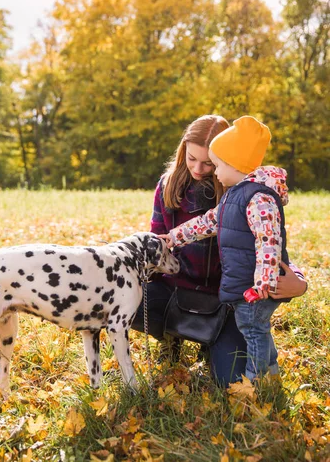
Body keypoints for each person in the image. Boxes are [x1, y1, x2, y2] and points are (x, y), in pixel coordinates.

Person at [131, 114, 307, 386]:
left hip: (226, 300)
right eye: (192, 159)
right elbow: (188, 229)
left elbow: (270, 248)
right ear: (183, 151)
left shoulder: (248, 195)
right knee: (123, 300)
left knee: (232, 380)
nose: (201, 169)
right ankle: (171, 335)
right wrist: (161, 247)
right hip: (174, 291)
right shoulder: (168, 186)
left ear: (228, 162)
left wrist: (299, 281)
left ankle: (218, 347)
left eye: (210, 163)